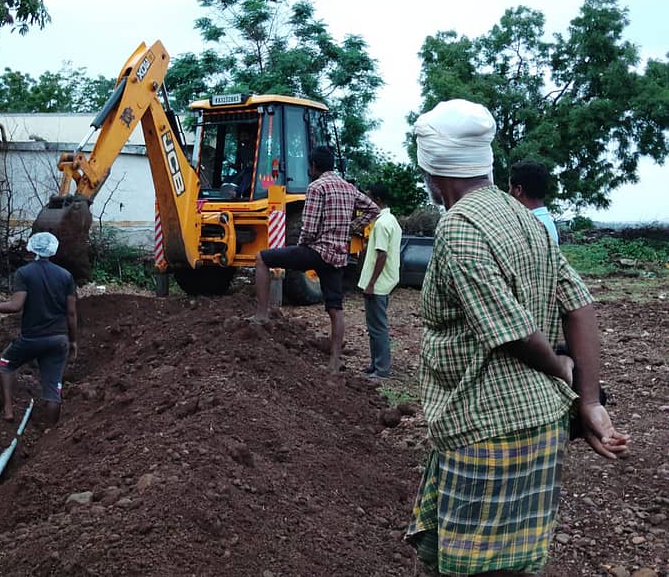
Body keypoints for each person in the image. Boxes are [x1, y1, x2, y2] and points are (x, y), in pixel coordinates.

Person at [404, 99, 629, 576]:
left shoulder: (459, 229)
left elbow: (514, 334)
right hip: (540, 424)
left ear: (432, 171)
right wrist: (587, 399)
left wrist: (564, 370)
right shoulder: (526, 217)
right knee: (506, 562)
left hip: (484, 427)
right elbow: (580, 304)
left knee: (471, 565)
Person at [252, 146, 380, 372]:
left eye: (309, 166)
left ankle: (262, 315)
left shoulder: (316, 187)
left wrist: (301, 246)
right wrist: (351, 228)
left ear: (313, 166)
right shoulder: (349, 188)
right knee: (335, 308)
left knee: (262, 258)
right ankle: (334, 362)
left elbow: (309, 227)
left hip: (316, 251)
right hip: (337, 257)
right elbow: (373, 209)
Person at [0, 232, 78, 426]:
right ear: (53, 249)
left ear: (32, 249)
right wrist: (73, 341)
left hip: (32, 338)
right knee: (53, 388)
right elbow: (71, 313)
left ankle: (9, 411)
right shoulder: (66, 276)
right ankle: (50, 433)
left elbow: (15, 306)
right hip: (58, 340)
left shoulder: (25, 273)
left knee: (6, 363)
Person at [357, 183, 402, 379]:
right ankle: (375, 364)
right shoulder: (390, 220)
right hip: (384, 282)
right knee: (374, 326)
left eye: (369, 198)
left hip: (378, 284)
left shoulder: (383, 224)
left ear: (377, 200)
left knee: (378, 327)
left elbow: (381, 255)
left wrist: (371, 283)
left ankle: (381, 370)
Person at [509, 160, 559, 243]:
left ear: (518, 190)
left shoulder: (527, 227)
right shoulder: (546, 222)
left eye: (510, 188)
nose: (508, 193)